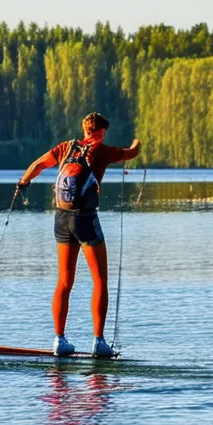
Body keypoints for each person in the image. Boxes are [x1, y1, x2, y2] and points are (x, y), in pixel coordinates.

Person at [16, 112, 140, 357]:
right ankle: (98, 342)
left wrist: (23, 183)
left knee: (64, 282)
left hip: (61, 219)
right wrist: (139, 141)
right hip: (86, 220)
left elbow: (38, 165)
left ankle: (59, 340)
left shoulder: (66, 148)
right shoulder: (101, 150)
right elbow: (131, 152)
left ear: (84, 129)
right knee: (100, 281)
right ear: (102, 131)